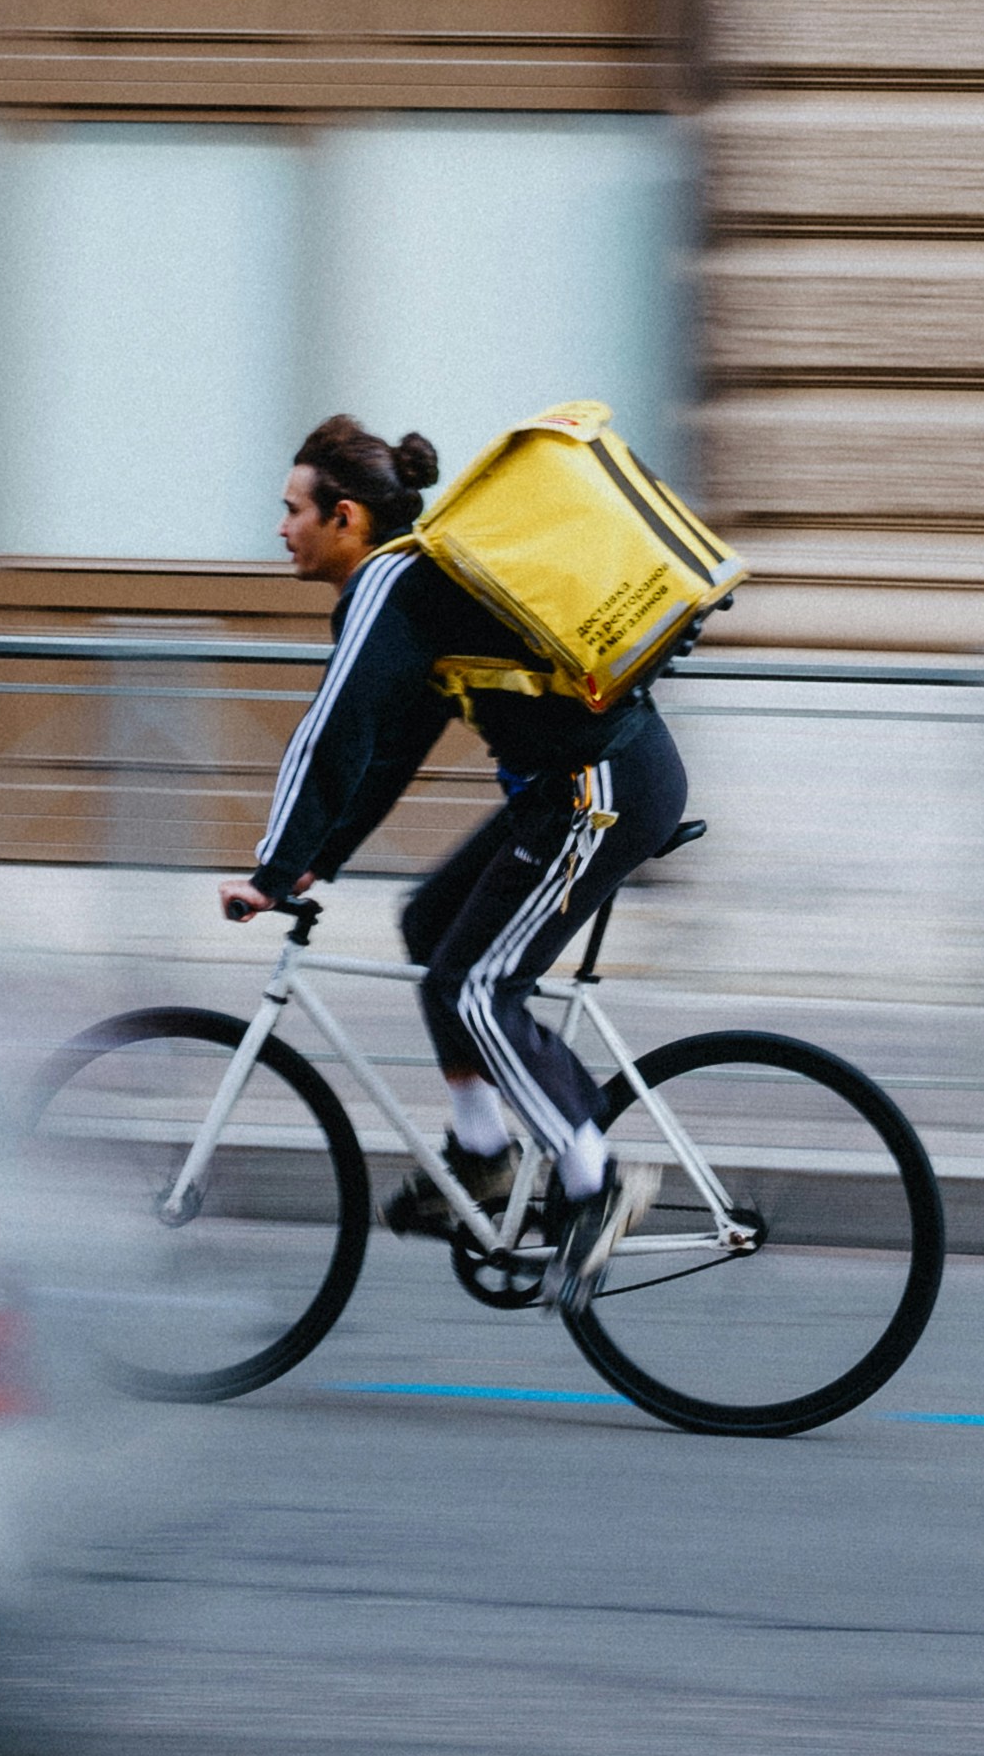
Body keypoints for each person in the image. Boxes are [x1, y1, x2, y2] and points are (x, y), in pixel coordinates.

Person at [228, 411, 691, 1310]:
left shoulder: (388, 585)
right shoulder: (420, 587)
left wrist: (273, 870)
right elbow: (393, 743)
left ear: (347, 517)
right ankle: (482, 1157)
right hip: (576, 785)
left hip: (600, 789)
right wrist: (324, 855)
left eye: (292, 510)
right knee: (430, 923)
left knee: (474, 988)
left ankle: (597, 1178)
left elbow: (332, 734)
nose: (279, 528)